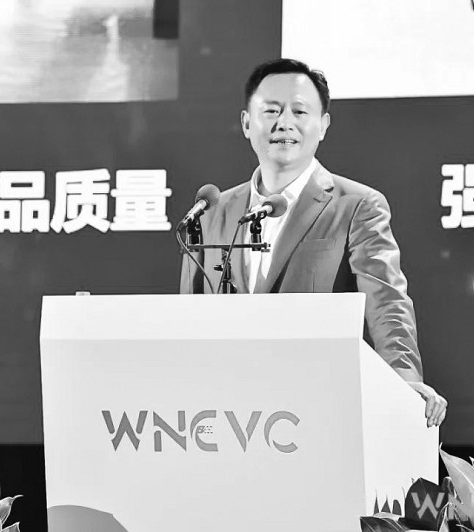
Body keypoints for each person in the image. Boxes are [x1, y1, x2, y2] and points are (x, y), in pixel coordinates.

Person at [180, 58, 447, 427]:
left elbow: (386, 301)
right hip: (224, 411)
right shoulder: (212, 212)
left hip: (317, 410)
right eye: (271, 110)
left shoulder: (356, 205)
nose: (284, 123)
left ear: (323, 125)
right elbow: (187, 318)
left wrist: (402, 382)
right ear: (246, 123)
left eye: (299, 111)